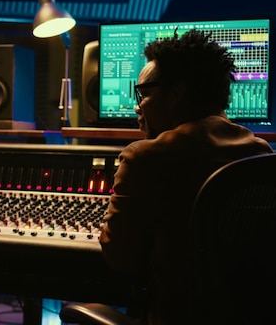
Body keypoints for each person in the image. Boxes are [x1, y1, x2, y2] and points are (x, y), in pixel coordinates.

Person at [99, 29, 273, 325]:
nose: (137, 106)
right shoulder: (262, 155)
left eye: (144, 94)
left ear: (176, 94)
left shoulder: (144, 158)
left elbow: (120, 258)